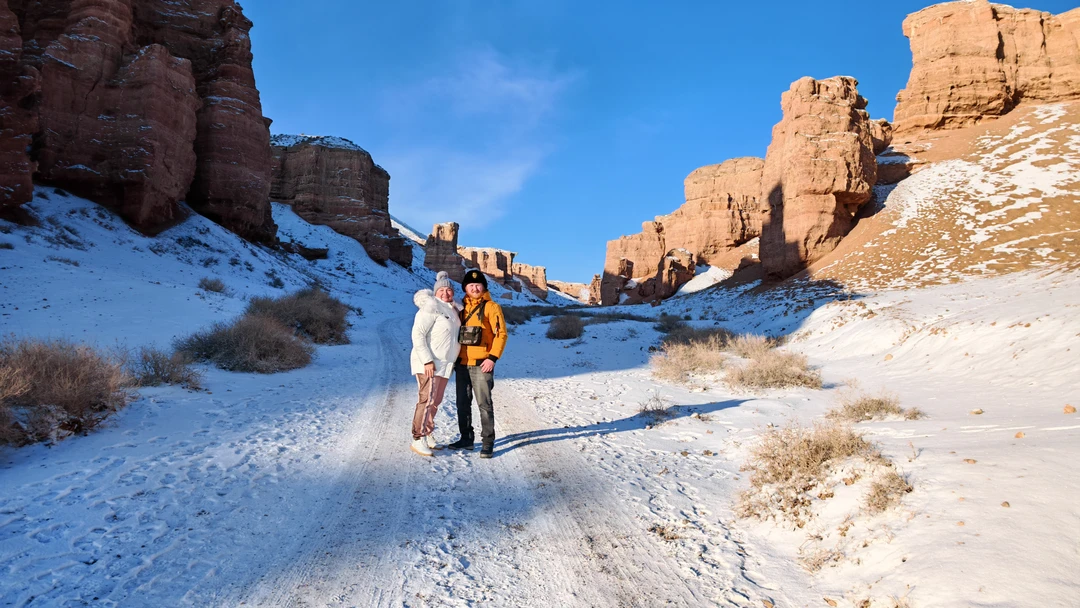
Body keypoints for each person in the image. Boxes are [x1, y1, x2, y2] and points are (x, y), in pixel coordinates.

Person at [448, 269, 507, 458]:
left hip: (482, 364)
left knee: (484, 405)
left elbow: (501, 334)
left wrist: (492, 358)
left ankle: (487, 442)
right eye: (470, 285)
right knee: (462, 404)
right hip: (462, 364)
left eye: (478, 284)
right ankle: (466, 438)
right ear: (465, 288)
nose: (474, 287)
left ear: (483, 287)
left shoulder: (492, 307)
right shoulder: (459, 307)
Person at [409, 271, 462, 457]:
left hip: (446, 364)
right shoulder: (430, 307)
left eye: (449, 290)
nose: (446, 293)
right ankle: (418, 438)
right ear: (435, 291)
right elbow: (418, 334)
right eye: (442, 290)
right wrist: (427, 360)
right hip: (429, 363)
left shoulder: (453, 310)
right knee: (427, 399)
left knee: (436, 401)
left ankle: (428, 433)